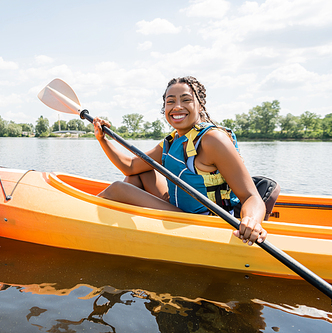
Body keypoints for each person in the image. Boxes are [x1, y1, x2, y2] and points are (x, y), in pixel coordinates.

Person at [93, 76, 267, 246]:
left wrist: (251, 221)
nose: (177, 106)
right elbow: (130, 167)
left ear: (200, 106)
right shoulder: (173, 140)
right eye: (170, 101)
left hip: (205, 223)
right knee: (139, 175)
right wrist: (102, 139)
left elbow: (251, 196)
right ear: (164, 109)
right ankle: (125, 235)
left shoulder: (213, 140)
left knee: (118, 189)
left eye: (186, 100)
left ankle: (91, 225)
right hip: (180, 209)